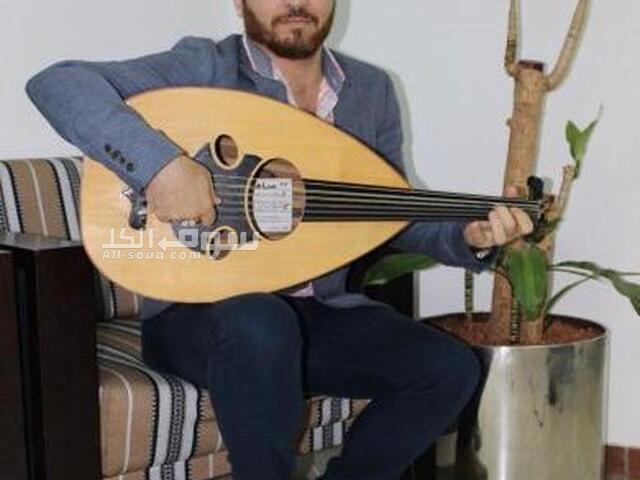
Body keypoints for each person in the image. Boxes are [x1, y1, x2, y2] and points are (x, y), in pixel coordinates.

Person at [26, 1, 533, 479]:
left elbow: (387, 210)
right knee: (261, 320)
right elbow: (57, 84)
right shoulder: (206, 67)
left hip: (319, 314)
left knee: (448, 368)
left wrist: (467, 233)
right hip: (199, 316)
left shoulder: (370, 91)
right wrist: (161, 167)